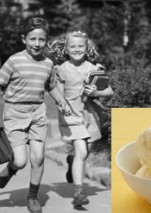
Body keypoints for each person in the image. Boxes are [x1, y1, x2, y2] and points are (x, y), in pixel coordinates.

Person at [0, 17, 71, 213]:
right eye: (32, 39)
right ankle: (11, 168)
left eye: (41, 40)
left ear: (47, 40)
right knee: (20, 160)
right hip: (15, 113)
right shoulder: (14, 61)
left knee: (38, 158)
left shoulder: (48, 63)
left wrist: (62, 101)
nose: (37, 44)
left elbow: (51, 87)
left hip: (38, 113)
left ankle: (32, 197)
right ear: (23, 39)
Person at [49, 30, 113, 207]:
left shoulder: (94, 69)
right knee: (82, 152)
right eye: (73, 46)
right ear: (66, 49)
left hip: (90, 116)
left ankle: (71, 163)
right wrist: (63, 106)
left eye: (80, 46)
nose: (77, 49)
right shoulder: (61, 69)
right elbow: (58, 95)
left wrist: (97, 92)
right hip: (71, 116)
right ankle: (78, 193)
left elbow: (109, 91)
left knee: (83, 154)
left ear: (87, 48)